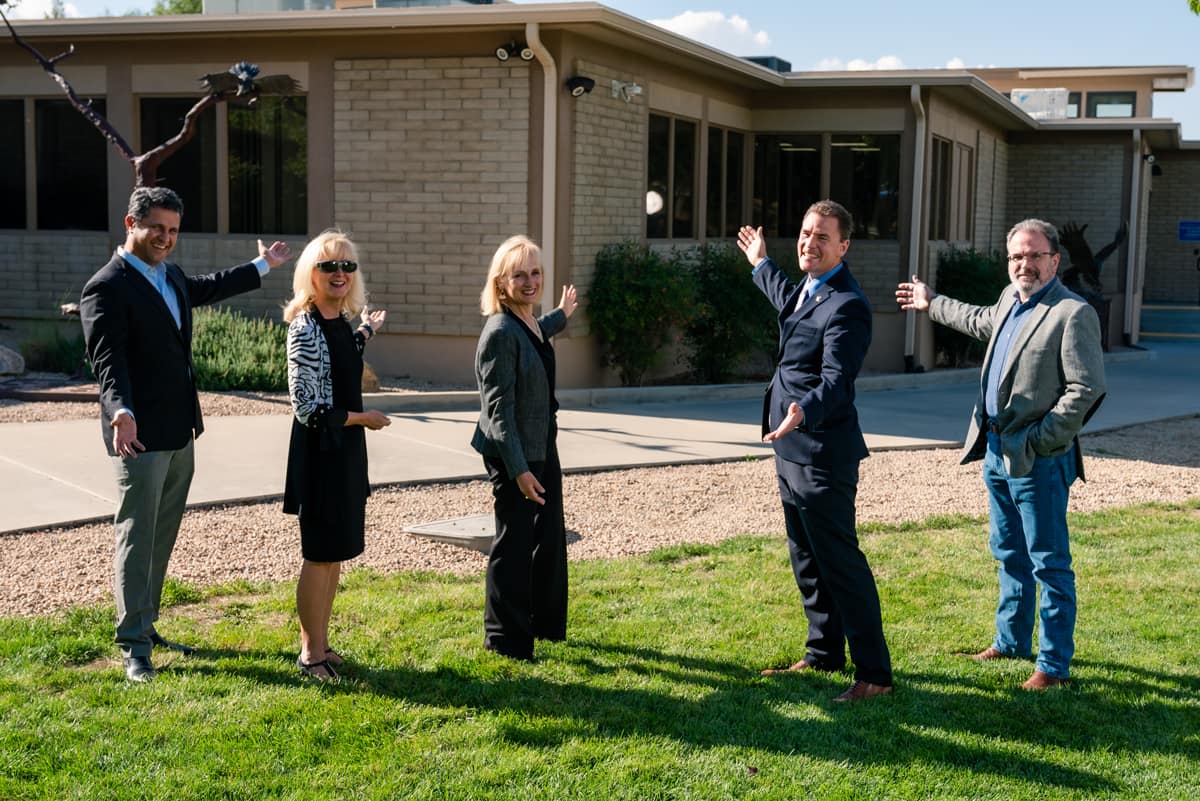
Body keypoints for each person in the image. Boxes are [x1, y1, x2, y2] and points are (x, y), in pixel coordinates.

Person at [80, 186, 293, 683]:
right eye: (157, 228)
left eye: (173, 230)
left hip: (180, 430)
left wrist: (262, 266)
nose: (166, 238)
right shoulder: (106, 286)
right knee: (136, 535)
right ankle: (133, 646)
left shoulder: (169, 275)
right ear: (131, 224)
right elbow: (107, 360)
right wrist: (120, 410)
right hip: (137, 434)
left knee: (161, 534)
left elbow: (207, 287)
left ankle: (146, 622)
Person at [896, 218, 1106, 690]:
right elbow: (976, 320)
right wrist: (932, 303)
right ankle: (1010, 641)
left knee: (1048, 563)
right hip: (994, 452)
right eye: (1016, 256)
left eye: (1034, 255)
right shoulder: (1011, 300)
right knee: (1008, 552)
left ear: (1054, 259)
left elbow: (1087, 388)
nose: (1023, 264)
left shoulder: (1072, 313)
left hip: (1039, 460)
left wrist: (1040, 440)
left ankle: (1052, 667)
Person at [737, 200, 894, 703]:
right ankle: (823, 652)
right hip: (789, 449)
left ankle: (875, 675)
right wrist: (761, 261)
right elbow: (786, 297)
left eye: (822, 237)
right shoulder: (809, 290)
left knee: (840, 563)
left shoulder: (848, 304)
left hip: (822, 451)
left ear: (844, 246)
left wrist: (802, 410)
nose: (809, 242)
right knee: (805, 557)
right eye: (805, 233)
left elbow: (836, 381)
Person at [282, 231, 390, 681]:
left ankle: (323, 644)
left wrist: (366, 329)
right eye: (330, 266)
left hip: (345, 448)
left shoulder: (340, 322)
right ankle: (310, 655)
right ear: (312, 274)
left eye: (348, 266)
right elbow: (306, 407)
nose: (341, 273)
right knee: (319, 553)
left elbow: (344, 355)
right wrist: (362, 419)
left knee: (337, 551)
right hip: (322, 450)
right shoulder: (304, 327)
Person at [470, 235, 578, 662]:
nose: (530, 281)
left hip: (540, 443)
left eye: (536, 273)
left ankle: (544, 625)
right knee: (513, 542)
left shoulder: (527, 321)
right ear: (501, 283)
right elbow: (498, 414)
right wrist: (519, 471)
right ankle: (504, 638)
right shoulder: (499, 332)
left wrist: (562, 315)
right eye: (520, 274)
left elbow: (539, 332)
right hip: (511, 450)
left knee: (548, 534)